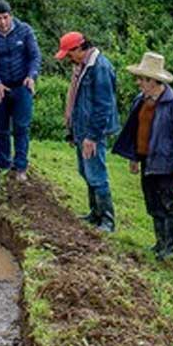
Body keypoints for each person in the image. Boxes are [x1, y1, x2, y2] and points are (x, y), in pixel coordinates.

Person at [113, 52, 173, 260]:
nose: (138, 82)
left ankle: (171, 246)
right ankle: (160, 242)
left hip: (167, 163)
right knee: (152, 202)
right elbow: (135, 130)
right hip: (147, 160)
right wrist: (133, 156)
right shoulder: (141, 101)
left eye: (142, 79)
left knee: (169, 203)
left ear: (154, 81)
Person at [57, 32, 120, 232]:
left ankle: (107, 220)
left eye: (69, 54)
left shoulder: (99, 68)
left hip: (94, 132)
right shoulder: (83, 67)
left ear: (80, 48)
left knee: (96, 173)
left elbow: (103, 106)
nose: (68, 58)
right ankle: (95, 213)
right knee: (85, 171)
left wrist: (92, 136)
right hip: (83, 130)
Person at [0, 0, 41, 182]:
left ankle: (21, 167)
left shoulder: (25, 30)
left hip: (22, 86)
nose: (3, 23)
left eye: (5, 18)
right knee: (1, 130)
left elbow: (35, 56)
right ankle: (3, 167)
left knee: (21, 127)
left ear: (11, 16)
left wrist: (32, 75)